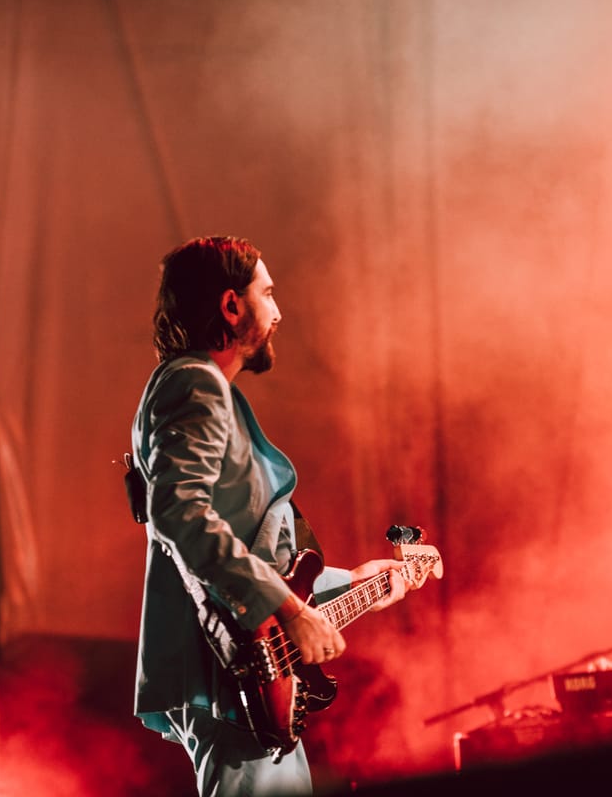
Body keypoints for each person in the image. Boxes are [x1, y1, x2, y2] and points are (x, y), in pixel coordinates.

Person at [130, 236, 412, 796]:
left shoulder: (201, 389)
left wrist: (353, 583)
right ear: (232, 306)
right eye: (269, 293)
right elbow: (179, 513)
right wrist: (288, 608)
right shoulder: (196, 382)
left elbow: (255, 551)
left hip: (245, 673)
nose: (279, 312)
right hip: (227, 671)